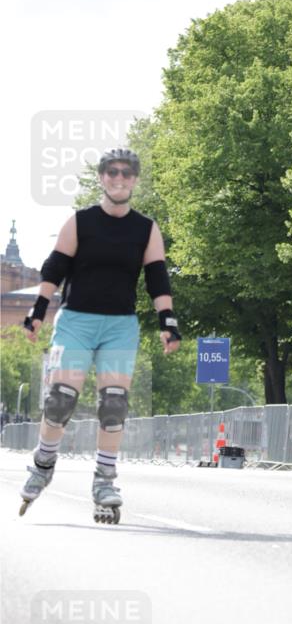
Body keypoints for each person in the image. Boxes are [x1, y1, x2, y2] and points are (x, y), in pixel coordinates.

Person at [21, 148, 181, 522]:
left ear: (135, 179)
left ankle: (104, 480)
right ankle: (43, 463)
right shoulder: (80, 222)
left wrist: (168, 322)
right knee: (61, 398)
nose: (119, 178)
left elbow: (157, 277)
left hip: (119, 325)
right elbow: (55, 268)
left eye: (127, 173)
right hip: (76, 320)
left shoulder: (146, 228)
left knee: (113, 404)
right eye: (112, 172)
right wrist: (37, 313)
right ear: (102, 177)